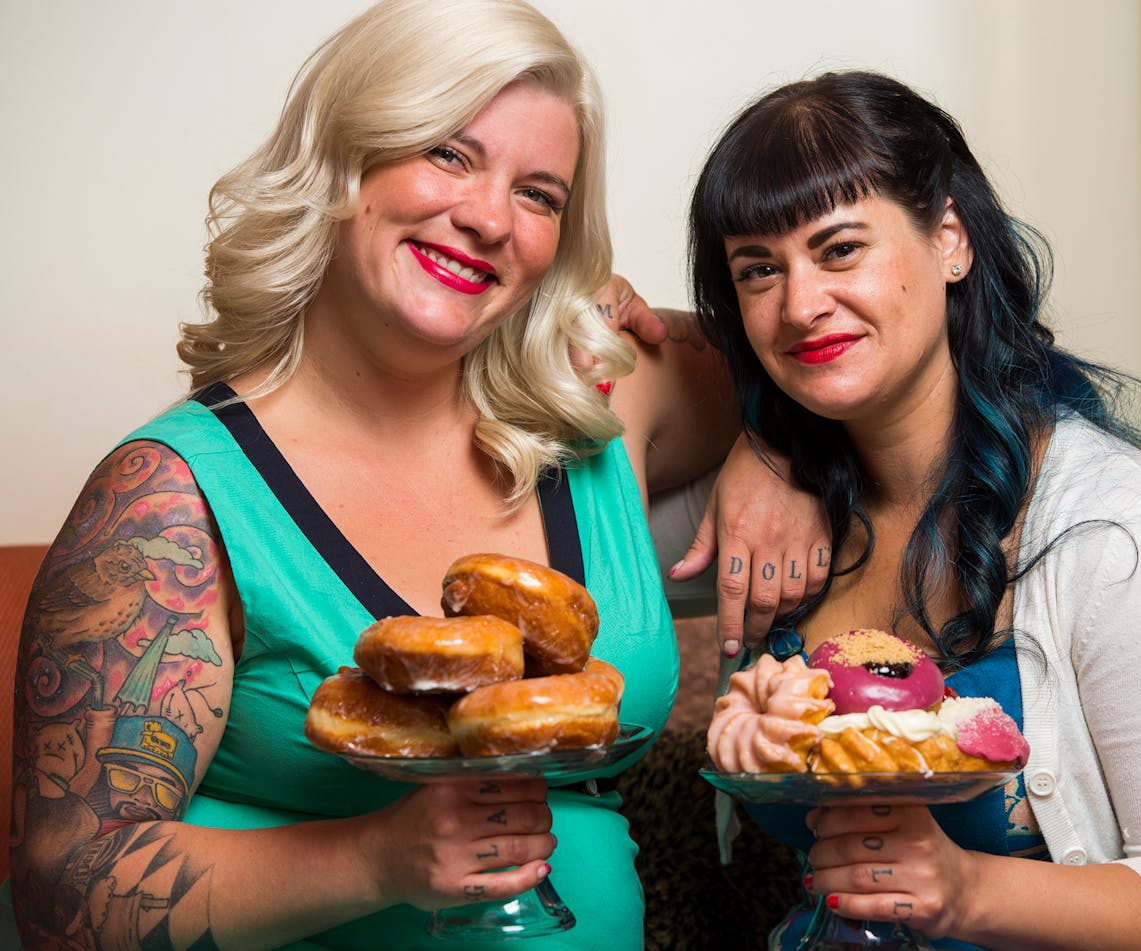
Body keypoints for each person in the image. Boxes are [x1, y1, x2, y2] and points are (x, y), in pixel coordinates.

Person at [2, 1, 826, 948]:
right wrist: (376, 859)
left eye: (539, 195)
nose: (487, 218)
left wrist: (775, 452)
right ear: (344, 160)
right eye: (448, 152)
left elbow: (824, 357)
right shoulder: (170, 499)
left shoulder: (598, 398)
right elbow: (63, 894)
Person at [689, 71, 1141, 950]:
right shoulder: (776, 514)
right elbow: (564, 403)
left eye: (841, 248)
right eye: (759, 269)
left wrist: (965, 890)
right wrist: (759, 443)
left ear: (951, 240)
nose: (800, 303)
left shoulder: (1122, 535)